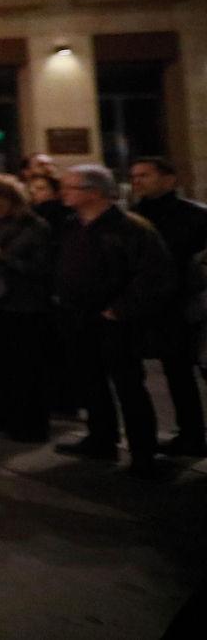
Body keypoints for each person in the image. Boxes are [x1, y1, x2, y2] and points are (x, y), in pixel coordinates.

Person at [53, 164, 175, 477]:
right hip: (78, 317)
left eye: (70, 187)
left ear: (94, 192)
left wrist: (119, 309)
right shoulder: (71, 224)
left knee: (129, 387)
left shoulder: (130, 228)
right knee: (90, 382)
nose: (62, 192)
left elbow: (154, 276)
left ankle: (142, 454)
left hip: (115, 321)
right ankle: (101, 439)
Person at [0, 174, 55, 442]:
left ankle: (30, 423)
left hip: (25, 302)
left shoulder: (35, 227)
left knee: (27, 365)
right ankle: (3, 412)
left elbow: (41, 268)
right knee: (1, 360)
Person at [128, 157, 207, 456]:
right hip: (150, 305)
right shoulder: (134, 216)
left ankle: (193, 433)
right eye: (134, 176)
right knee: (172, 371)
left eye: (144, 175)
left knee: (183, 371)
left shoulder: (195, 216)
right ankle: (188, 432)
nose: (137, 180)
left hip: (184, 304)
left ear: (169, 179)